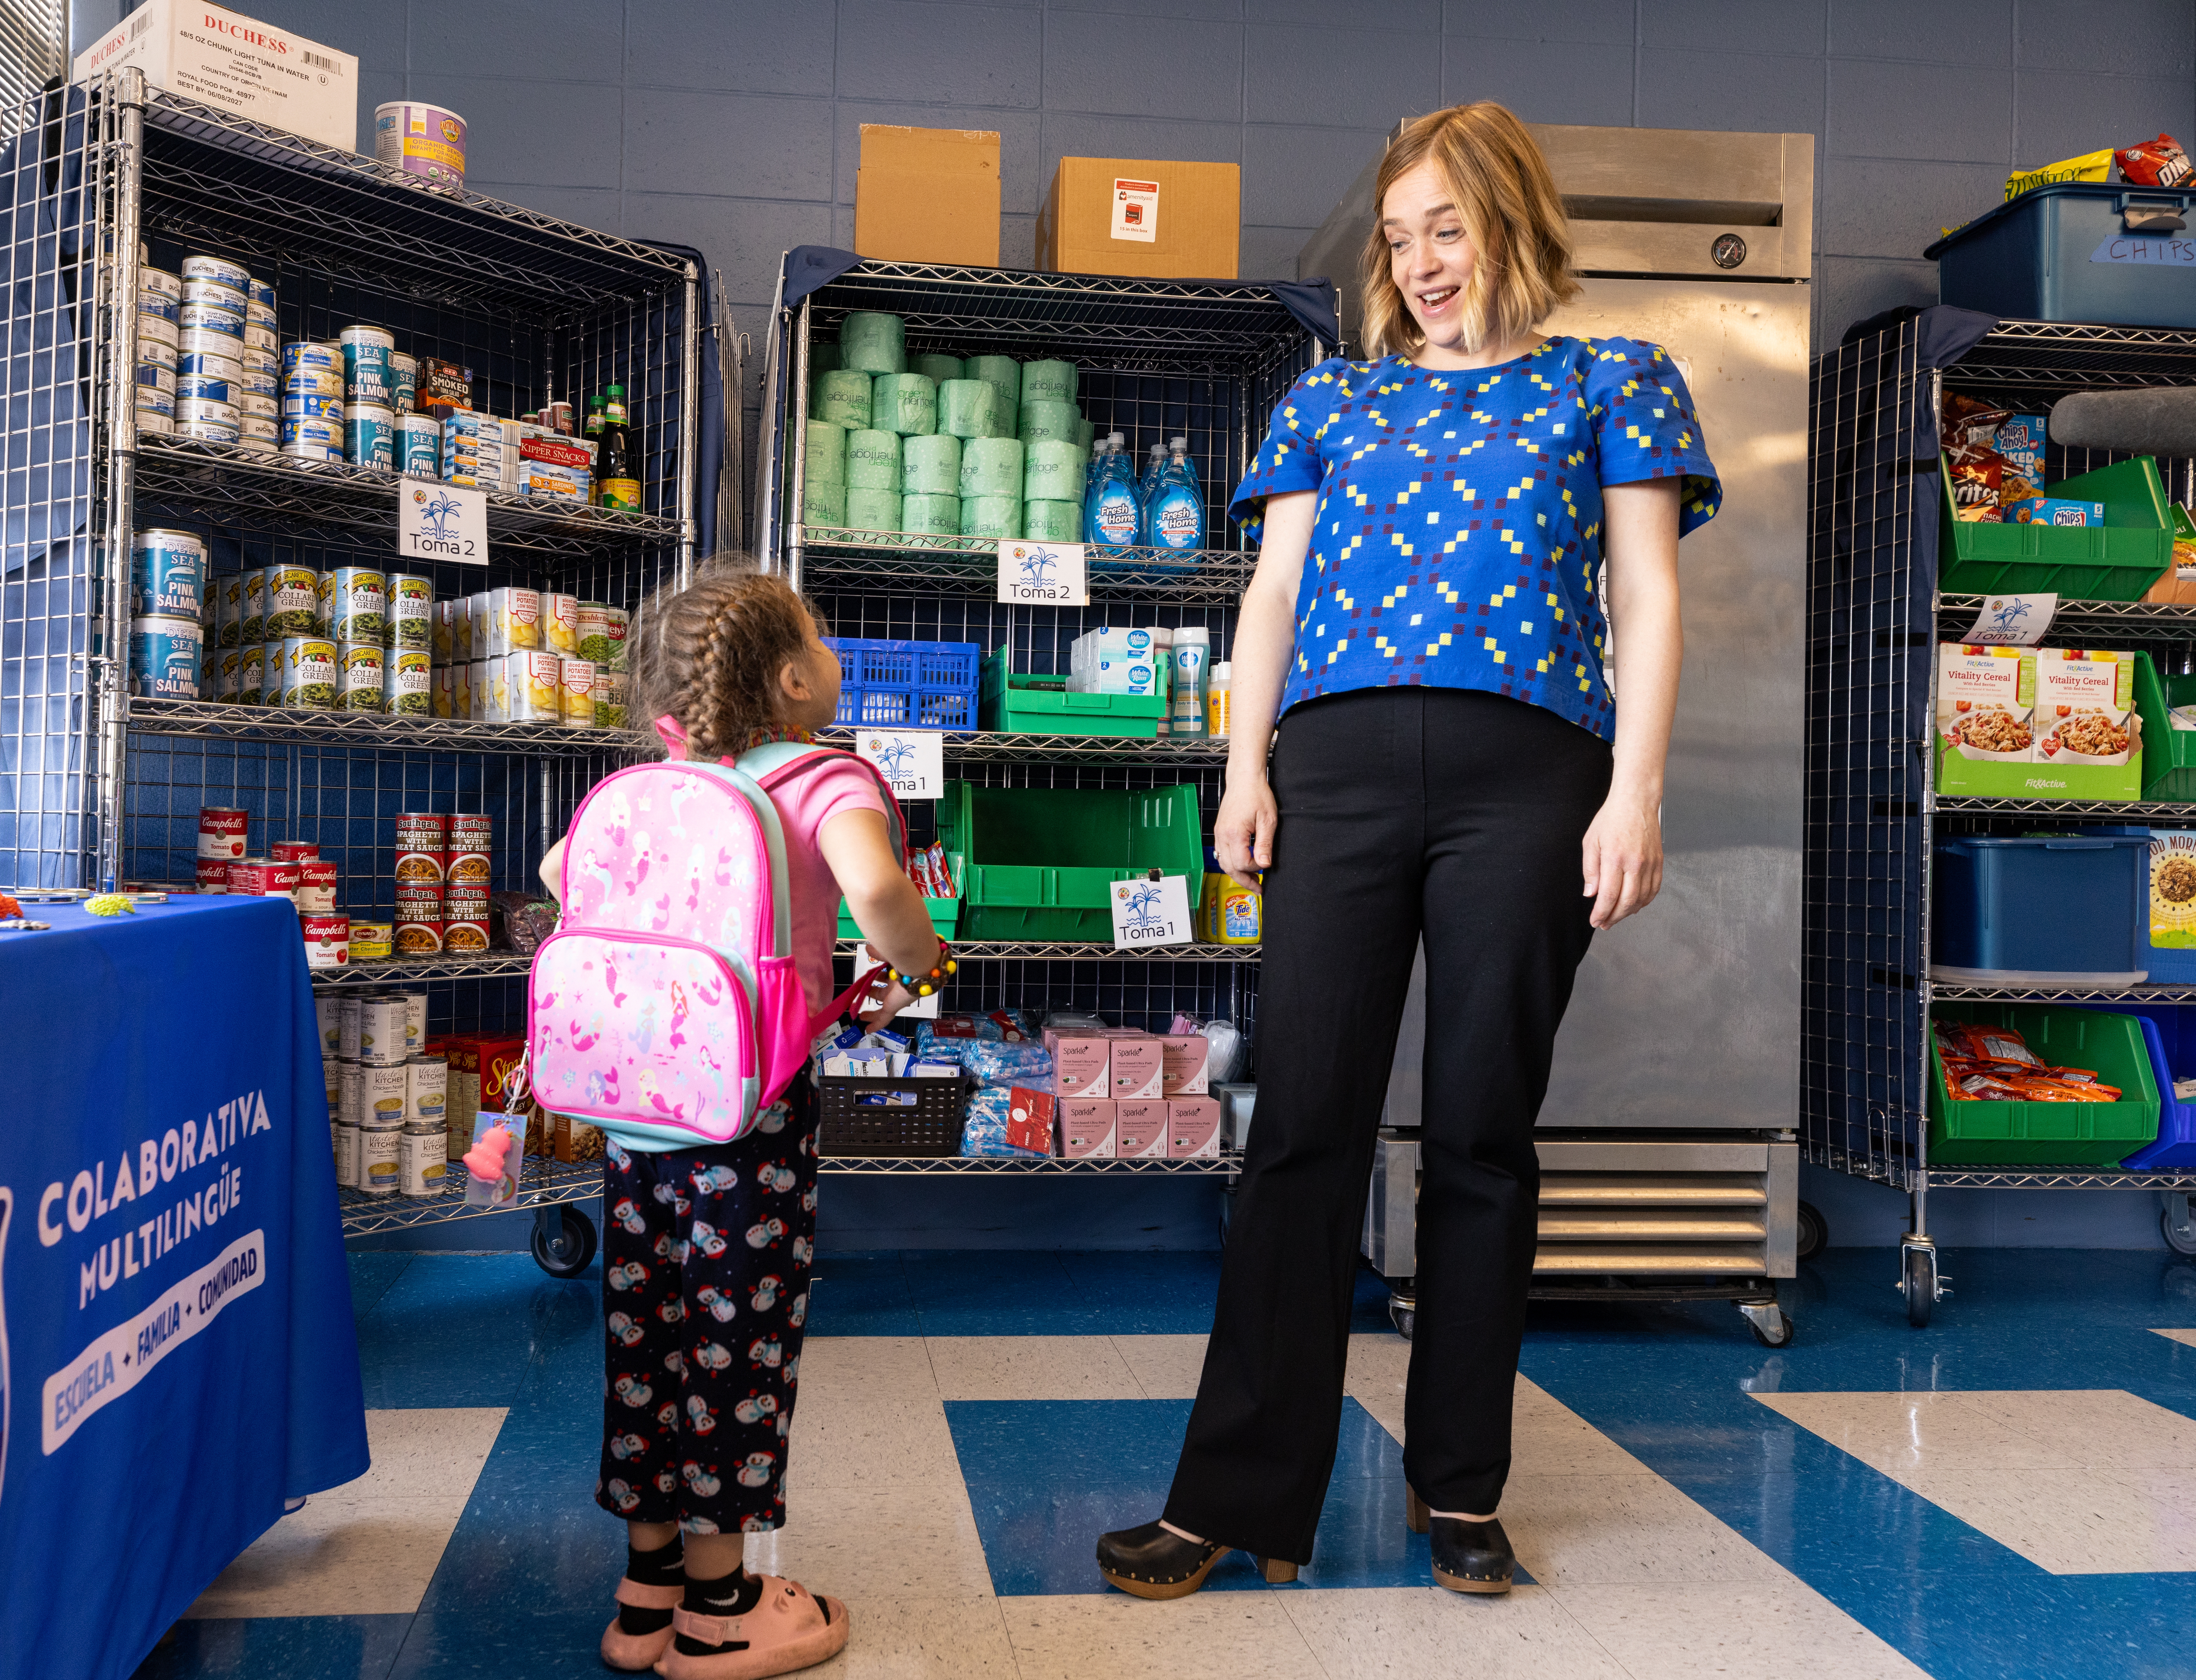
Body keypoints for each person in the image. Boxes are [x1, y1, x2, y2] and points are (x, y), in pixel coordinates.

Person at [1095, 101, 1720, 1599]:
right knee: (1301, 1124)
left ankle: (1459, 1489)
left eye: (1446, 226)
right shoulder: (1336, 398)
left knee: (1481, 1135)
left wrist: (1634, 790)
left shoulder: (1612, 381)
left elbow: (1645, 598)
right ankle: (1233, 1491)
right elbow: (1270, 592)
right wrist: (1239, 766)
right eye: (1398, 237)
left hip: (1532, 774)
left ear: (1509, 217)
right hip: (1340, 769)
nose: (1422, 263)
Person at [536, 560, 948, 1678]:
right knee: (736, 1347)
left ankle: (646, 1592)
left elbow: (557, 870)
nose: (833, 652)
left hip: (637, 1113)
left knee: (646, 1337)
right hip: (750, 1116)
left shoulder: (666, 779)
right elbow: (876, 896)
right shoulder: (826, 778)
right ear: (790, 678)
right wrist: (919, 959)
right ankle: (723, 1608)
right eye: (821, 636)